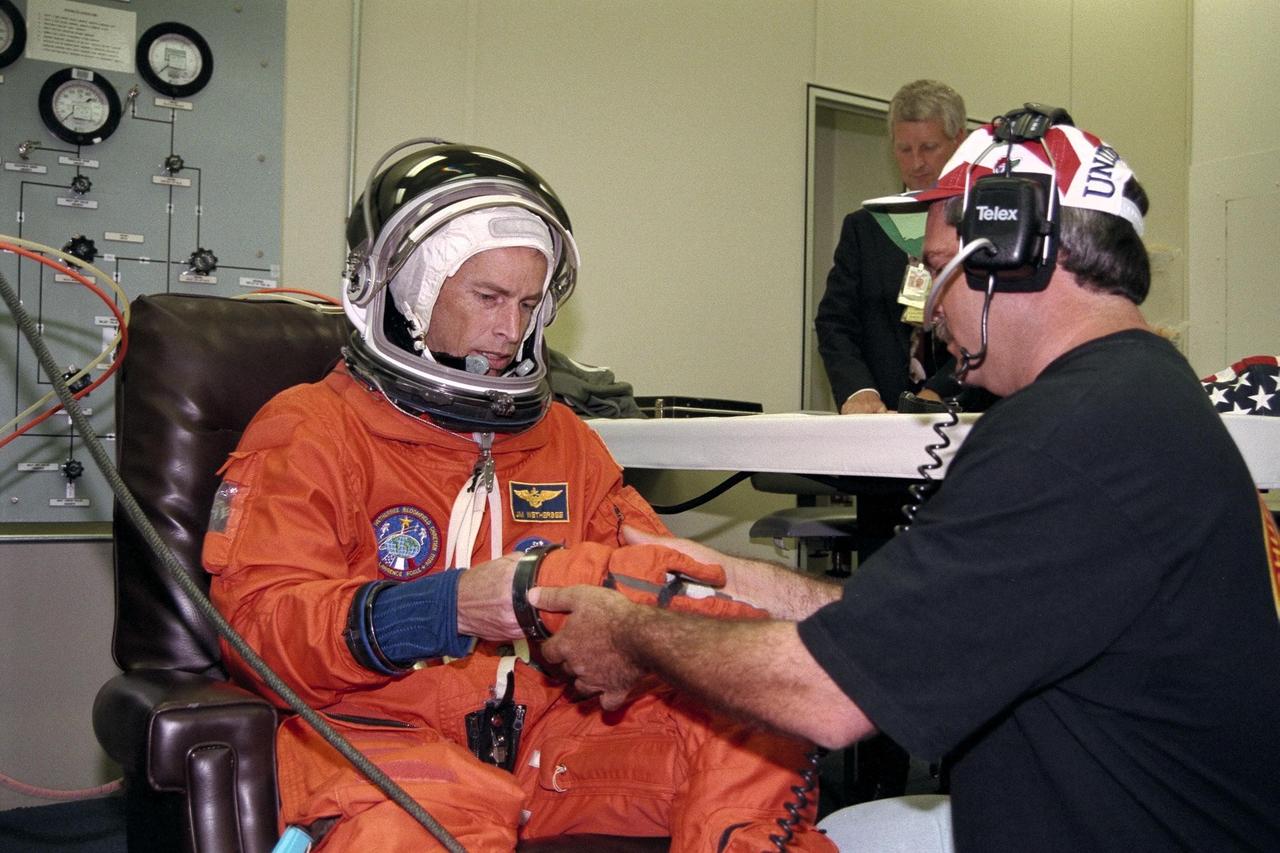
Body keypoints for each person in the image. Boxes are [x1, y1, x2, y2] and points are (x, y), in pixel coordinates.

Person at [528, 110, 1280, 851]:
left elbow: (830, 693)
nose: (927, 304)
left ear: (1008, 255)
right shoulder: (1137, 394)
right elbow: (911, 625)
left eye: (941, 265)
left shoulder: (1066, 438)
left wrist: (632, 634)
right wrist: (721, 573)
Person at [202, 141, 834, 851]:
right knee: (416, 829)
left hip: (548, 740)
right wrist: (449, 605)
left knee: (753, 723)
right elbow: (258, 630)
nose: (512, 329)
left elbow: (647, 568)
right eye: (489, 298)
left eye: (530, 303)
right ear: (408, 289)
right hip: (380, 738)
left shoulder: (563, 439)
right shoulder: (312, 429)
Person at [815, 78, 973, 414]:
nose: (916, 163)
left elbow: (999, 327)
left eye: (929, 148)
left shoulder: (988, 226)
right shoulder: (865, 227)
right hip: (879, 420)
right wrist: (858, 391)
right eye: (904, 149)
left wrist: (939, 392)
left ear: (959, 140)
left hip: (966, 418)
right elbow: (835, 322)